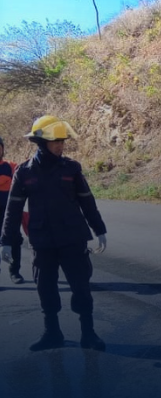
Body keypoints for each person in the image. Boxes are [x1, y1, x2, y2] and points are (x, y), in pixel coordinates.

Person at [1, 116, 108, 352]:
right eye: (55, 141)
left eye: (62, 141)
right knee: (45, 288)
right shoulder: (24, 172)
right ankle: (52, 333)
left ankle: (88, 334)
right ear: (41, 143)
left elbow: (87, 201)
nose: (60, 145)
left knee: (81, 286)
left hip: (73, 237)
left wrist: (99, 229)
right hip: (42, 241)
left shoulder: (72, 168)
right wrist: (6, 241)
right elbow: (14, 208)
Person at [0, 136, 24, 283]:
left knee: (14, 240)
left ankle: (15, 272)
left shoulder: (11, 166)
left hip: (9, 212)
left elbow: (24, 183)